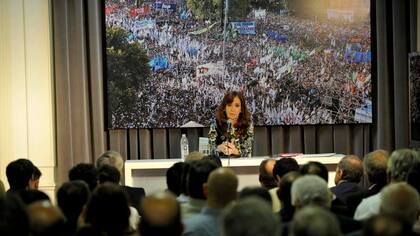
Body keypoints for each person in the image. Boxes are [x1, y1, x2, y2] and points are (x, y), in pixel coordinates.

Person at [208, 91, 254, 157]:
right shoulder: (216, 122)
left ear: (241, 109)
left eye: (237, 106)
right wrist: (219, 148)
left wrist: (235, 151)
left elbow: (248, 151)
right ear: (224, 108)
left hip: (241, 164)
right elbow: (210, 149)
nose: (233, 109)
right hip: (220, 163)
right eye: (229, 105)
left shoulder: (248, 123)